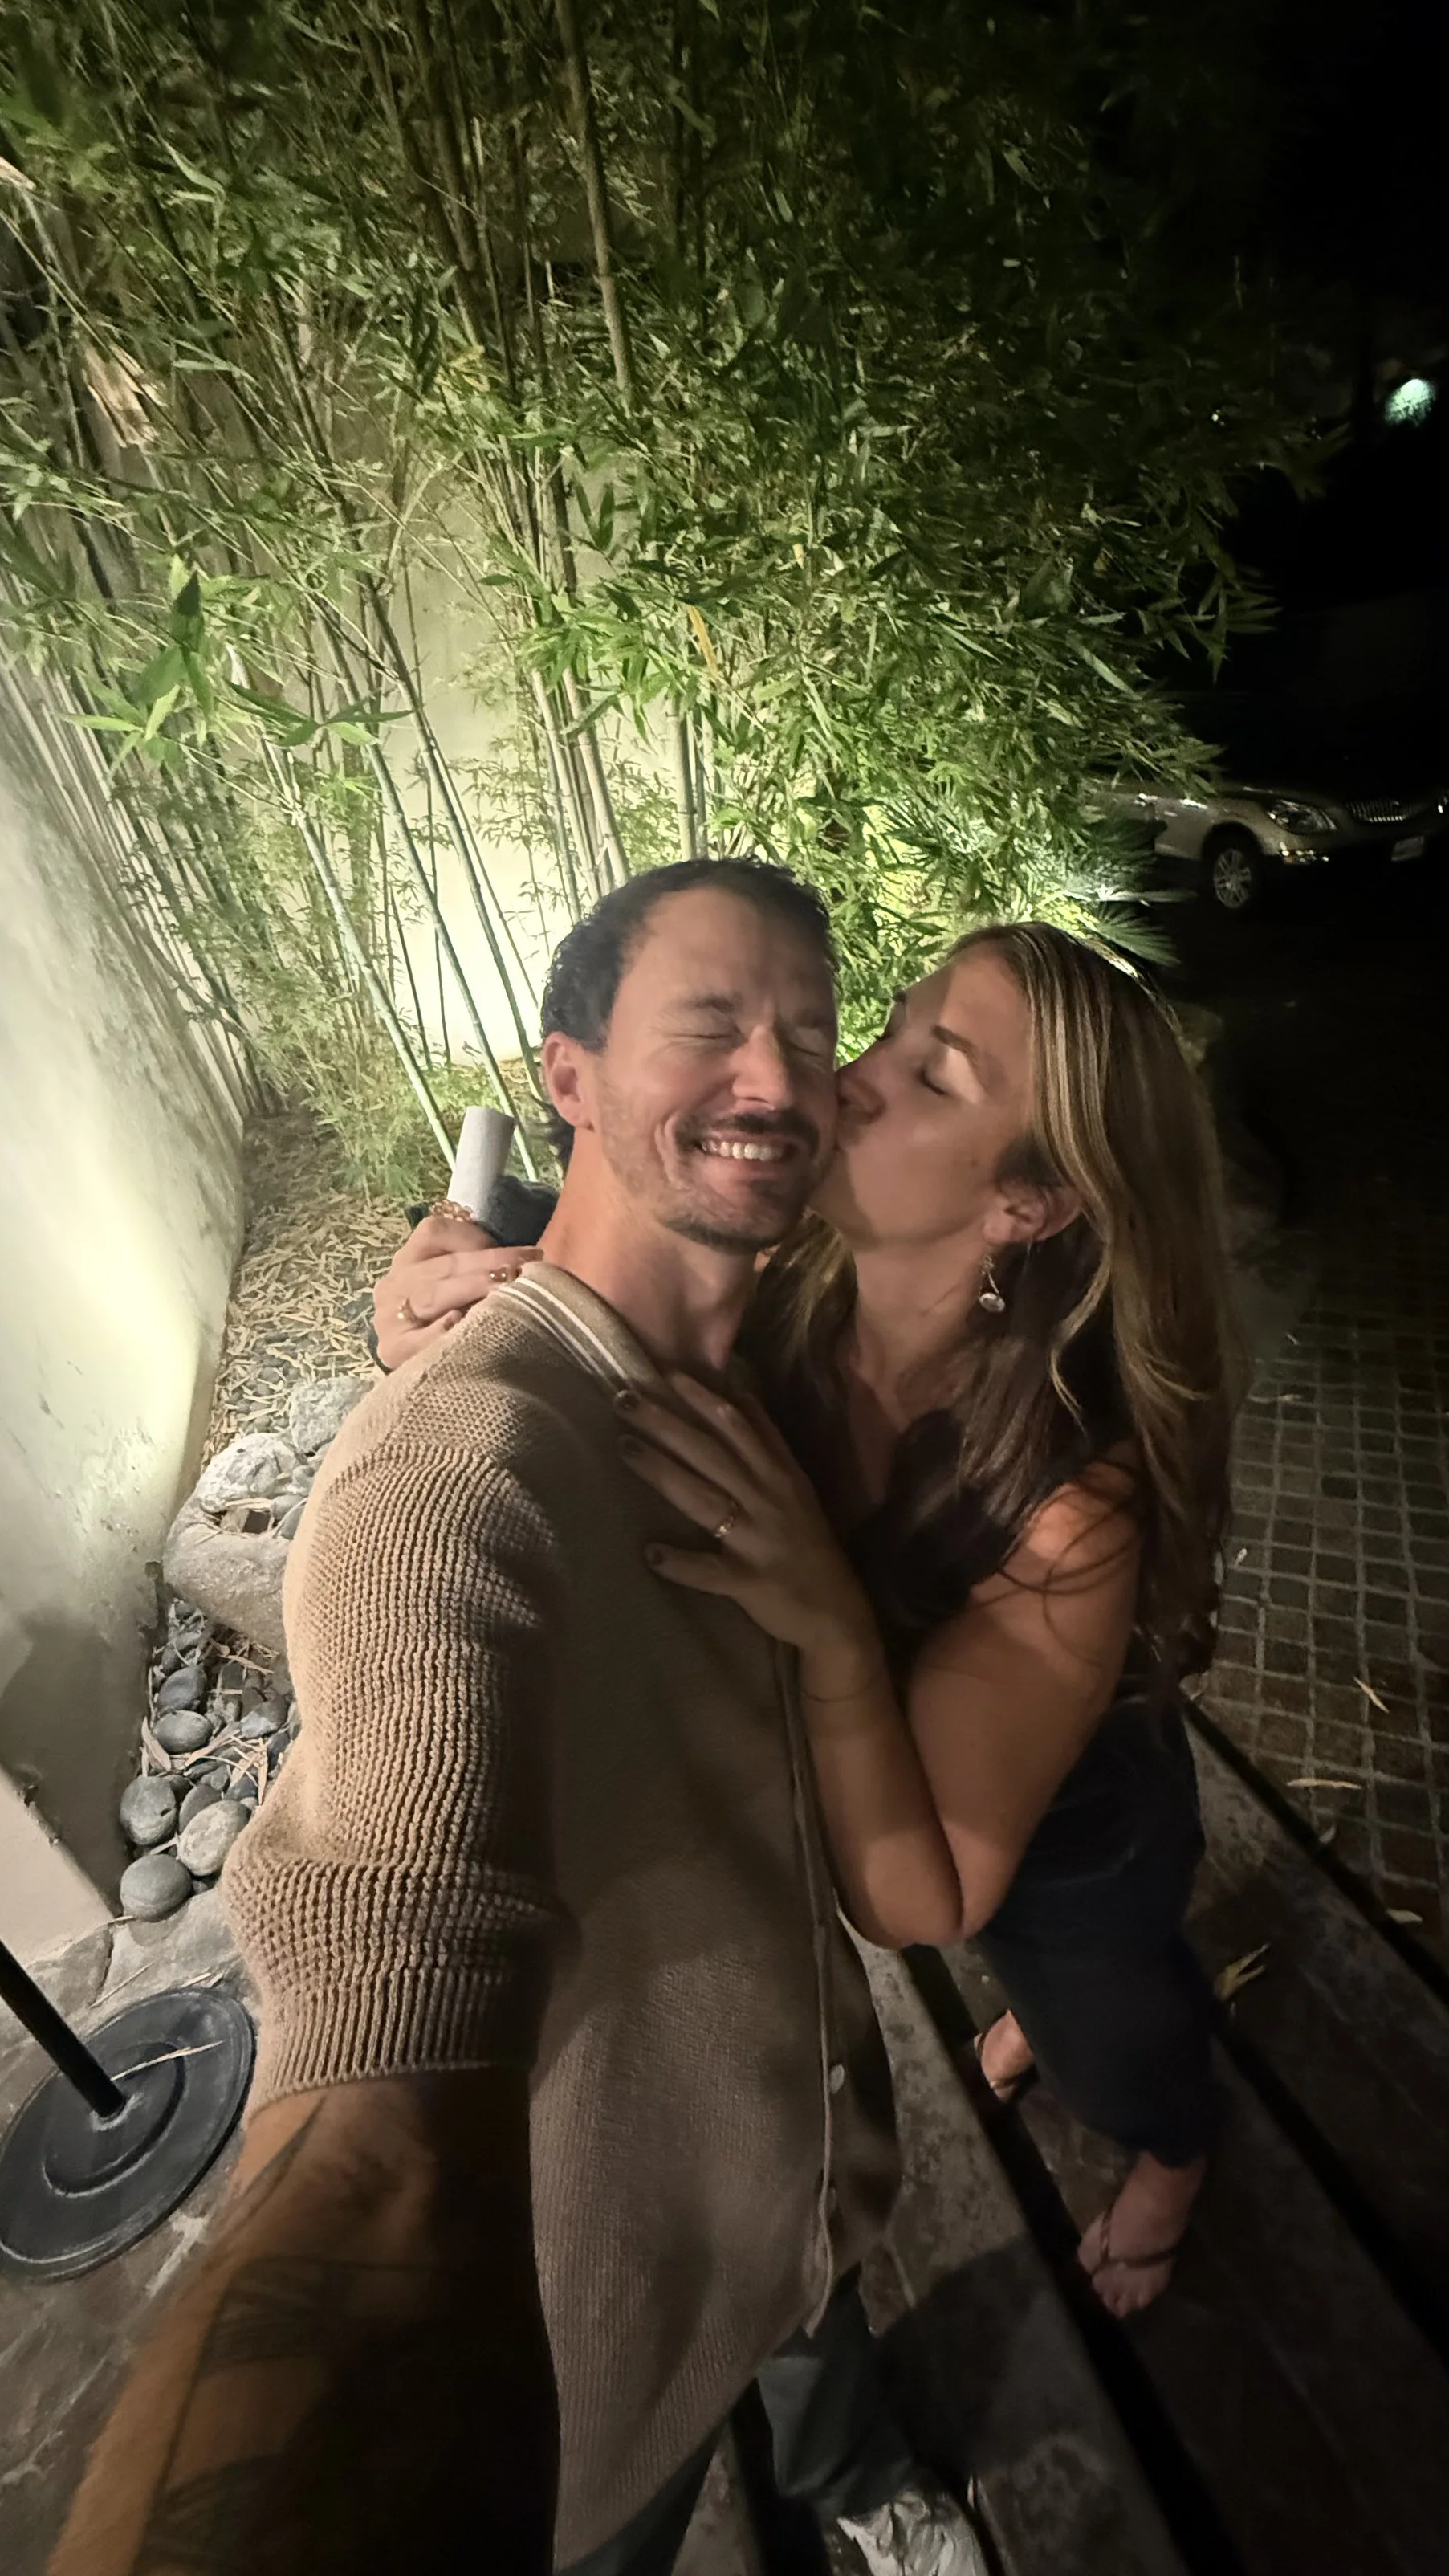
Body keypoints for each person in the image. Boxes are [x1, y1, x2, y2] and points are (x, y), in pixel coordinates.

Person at [50, 859, 989, 2576]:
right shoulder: (455, 1475)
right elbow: (380, 2062)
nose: (776, 1077)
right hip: (585, 2321)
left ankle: (863, 2485)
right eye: (707, 1024)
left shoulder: (746, 1346)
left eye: (806, 1029)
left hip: (779, 2159)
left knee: (811, 2350)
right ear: (567, 1079)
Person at [378, 917, 1237, 2319]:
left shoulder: (1071, 1512)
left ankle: (1175, 2154)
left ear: (1028, 1206)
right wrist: (429, 1298)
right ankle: (1052, 2032)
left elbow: (921, 1900)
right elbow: (572, 1247)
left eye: (934, 1077)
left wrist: (834, 1631)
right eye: (890, 1028)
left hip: (1063, 1839)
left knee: (1112, 2014)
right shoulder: (788, 1289)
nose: (849, 1080)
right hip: (908, 1770)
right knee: (1049, 2004)